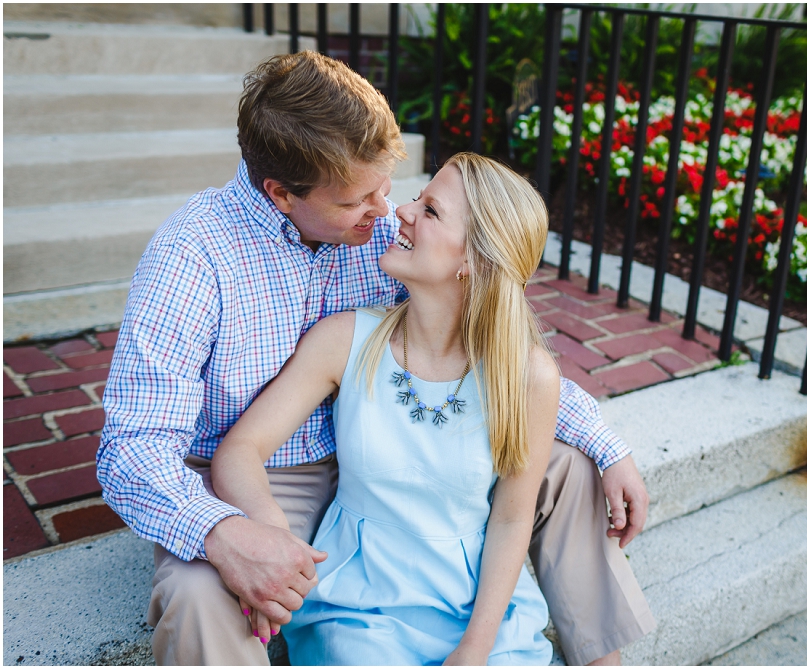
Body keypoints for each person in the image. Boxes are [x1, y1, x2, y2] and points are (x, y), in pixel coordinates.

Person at [97, 51, 654, 666]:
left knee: (569, 464)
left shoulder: (384, 235)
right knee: (198, 592)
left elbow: (489, 343)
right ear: (281, 193)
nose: (389, 211)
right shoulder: (192, 254)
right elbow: (132, 448)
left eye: (388, 187)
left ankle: (599, 654)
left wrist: (608, 444)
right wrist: (230, 532)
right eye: (360, 199)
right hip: (266, 474)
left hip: (383, 438)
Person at [212, 153, 559, 665]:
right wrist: (271, 531)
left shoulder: (527, 377)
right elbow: (240, 448)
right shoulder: (345, 340)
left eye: (431, 210)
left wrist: (476, 649)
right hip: (358, 609)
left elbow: (511, 521)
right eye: (417, 198)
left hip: (479, 613)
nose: (402, 210)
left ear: (474, 260)